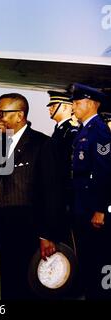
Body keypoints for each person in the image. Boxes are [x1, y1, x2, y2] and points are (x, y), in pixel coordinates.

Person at [0, 93, 62, 299]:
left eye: (1, 113)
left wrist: (46, 235)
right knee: (9, 284)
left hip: (30, 232)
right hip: (5, 230)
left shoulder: (43, 144)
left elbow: (52, 192)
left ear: (19, 115)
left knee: (30, 288)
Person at [71, 83, 111, 299]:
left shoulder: (99, 131)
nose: (73, 107)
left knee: (98, 259)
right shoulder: (84, 130)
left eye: (77, 103)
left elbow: (105, 173)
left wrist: (100, 209)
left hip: (92, 209)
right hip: (82, 205)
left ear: (91, 104)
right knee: (86, 257)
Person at [46, 91, 79, 244]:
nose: (50, 109)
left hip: (65, 194)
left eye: (53, 105)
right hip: (58, 192)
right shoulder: (59, 130)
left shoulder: (71, 132)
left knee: (68, 238)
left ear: (66, 108)